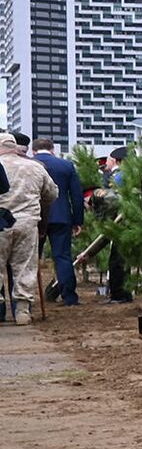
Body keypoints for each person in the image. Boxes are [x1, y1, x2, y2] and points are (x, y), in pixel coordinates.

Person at [0, 134, 56, 321]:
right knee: (25, 268)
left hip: (1, 223)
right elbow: (52, 193)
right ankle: (23, 310)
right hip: (27, 223)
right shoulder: (34, 167)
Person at [33, 139, 84, 307]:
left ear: (34, 151)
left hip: (36, 217)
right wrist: (77, 220)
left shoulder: (30, 165)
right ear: (52, 150)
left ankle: (26, 298)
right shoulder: (66, 166)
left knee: (31, 259)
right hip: (61, 217)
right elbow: (76, 196)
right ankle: (69, 296)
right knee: (62, 257)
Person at [97, 147, 133, 303]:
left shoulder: (118, 177)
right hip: (126, 221)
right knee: (121, 258)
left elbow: (113, 199)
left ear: (117, 160)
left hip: (121, 221)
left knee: (118, 259)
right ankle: (121, 292)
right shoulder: (128, 175)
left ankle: (119, 293)